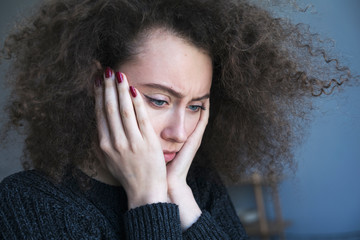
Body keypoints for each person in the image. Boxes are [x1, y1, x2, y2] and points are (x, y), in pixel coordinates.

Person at [0, 0, 353, 239]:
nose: (179, 132)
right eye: (158, 100)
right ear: (99, 84)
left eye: (196, 106)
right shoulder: (27, 202)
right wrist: (149, 200)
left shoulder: (198, 183)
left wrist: (182, 202)